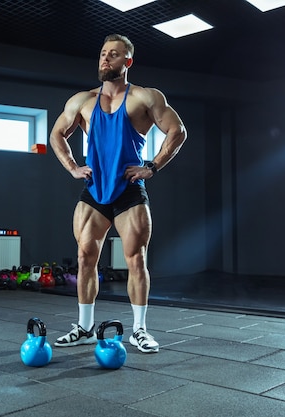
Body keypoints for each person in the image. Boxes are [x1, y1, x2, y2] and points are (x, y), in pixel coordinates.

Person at [49, 34, 187, 353]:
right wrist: (72, 166)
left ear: (128, 61)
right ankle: (84, 327)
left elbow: (177, 131)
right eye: (102, 53)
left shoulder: (145, 97)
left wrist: (152, 166)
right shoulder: (82, 101)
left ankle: (139, 330)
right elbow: (57, 133)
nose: (105, 58)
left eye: (114, 54)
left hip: (129, 191)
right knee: (85, 258)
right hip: (94, 192)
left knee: (135, 259)